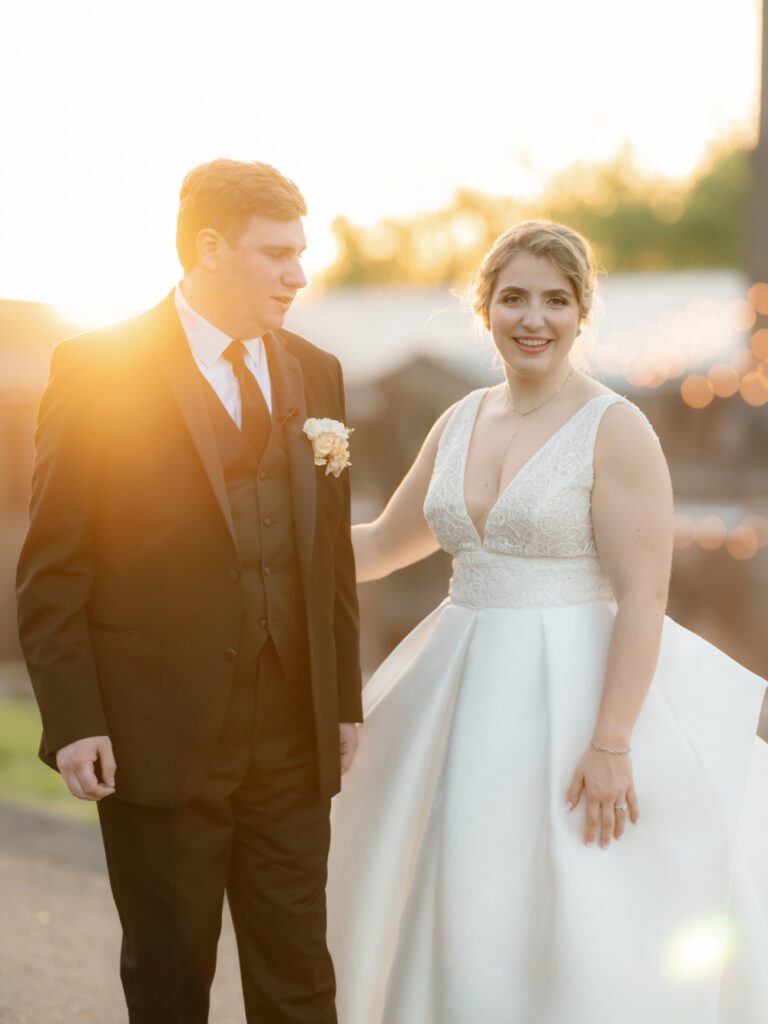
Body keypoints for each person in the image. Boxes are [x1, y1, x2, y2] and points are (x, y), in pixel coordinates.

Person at [326, 220, 768, 1023]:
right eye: (514, 298)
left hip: (574, 694)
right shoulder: (459, 419)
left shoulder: (616, 427)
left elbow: (643, 596)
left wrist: (610, 743)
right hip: (457, 679)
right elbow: (387, 544)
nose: (534, 318)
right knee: (456, 880)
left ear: (581, 312)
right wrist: (268, 543)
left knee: (568, 897)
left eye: (556, 301)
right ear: (484, 308)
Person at [16, 158, 362, 1024]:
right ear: (209, 247)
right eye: (277, 253)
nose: (298, 274)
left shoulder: (317, 372)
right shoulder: (98, 367)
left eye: (301, 252)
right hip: (155, 736)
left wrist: (342, 700)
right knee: (170, 979)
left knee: (300, 980)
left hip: (291, 733)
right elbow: (55, 564)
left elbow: (327, 560)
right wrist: (74, 717)